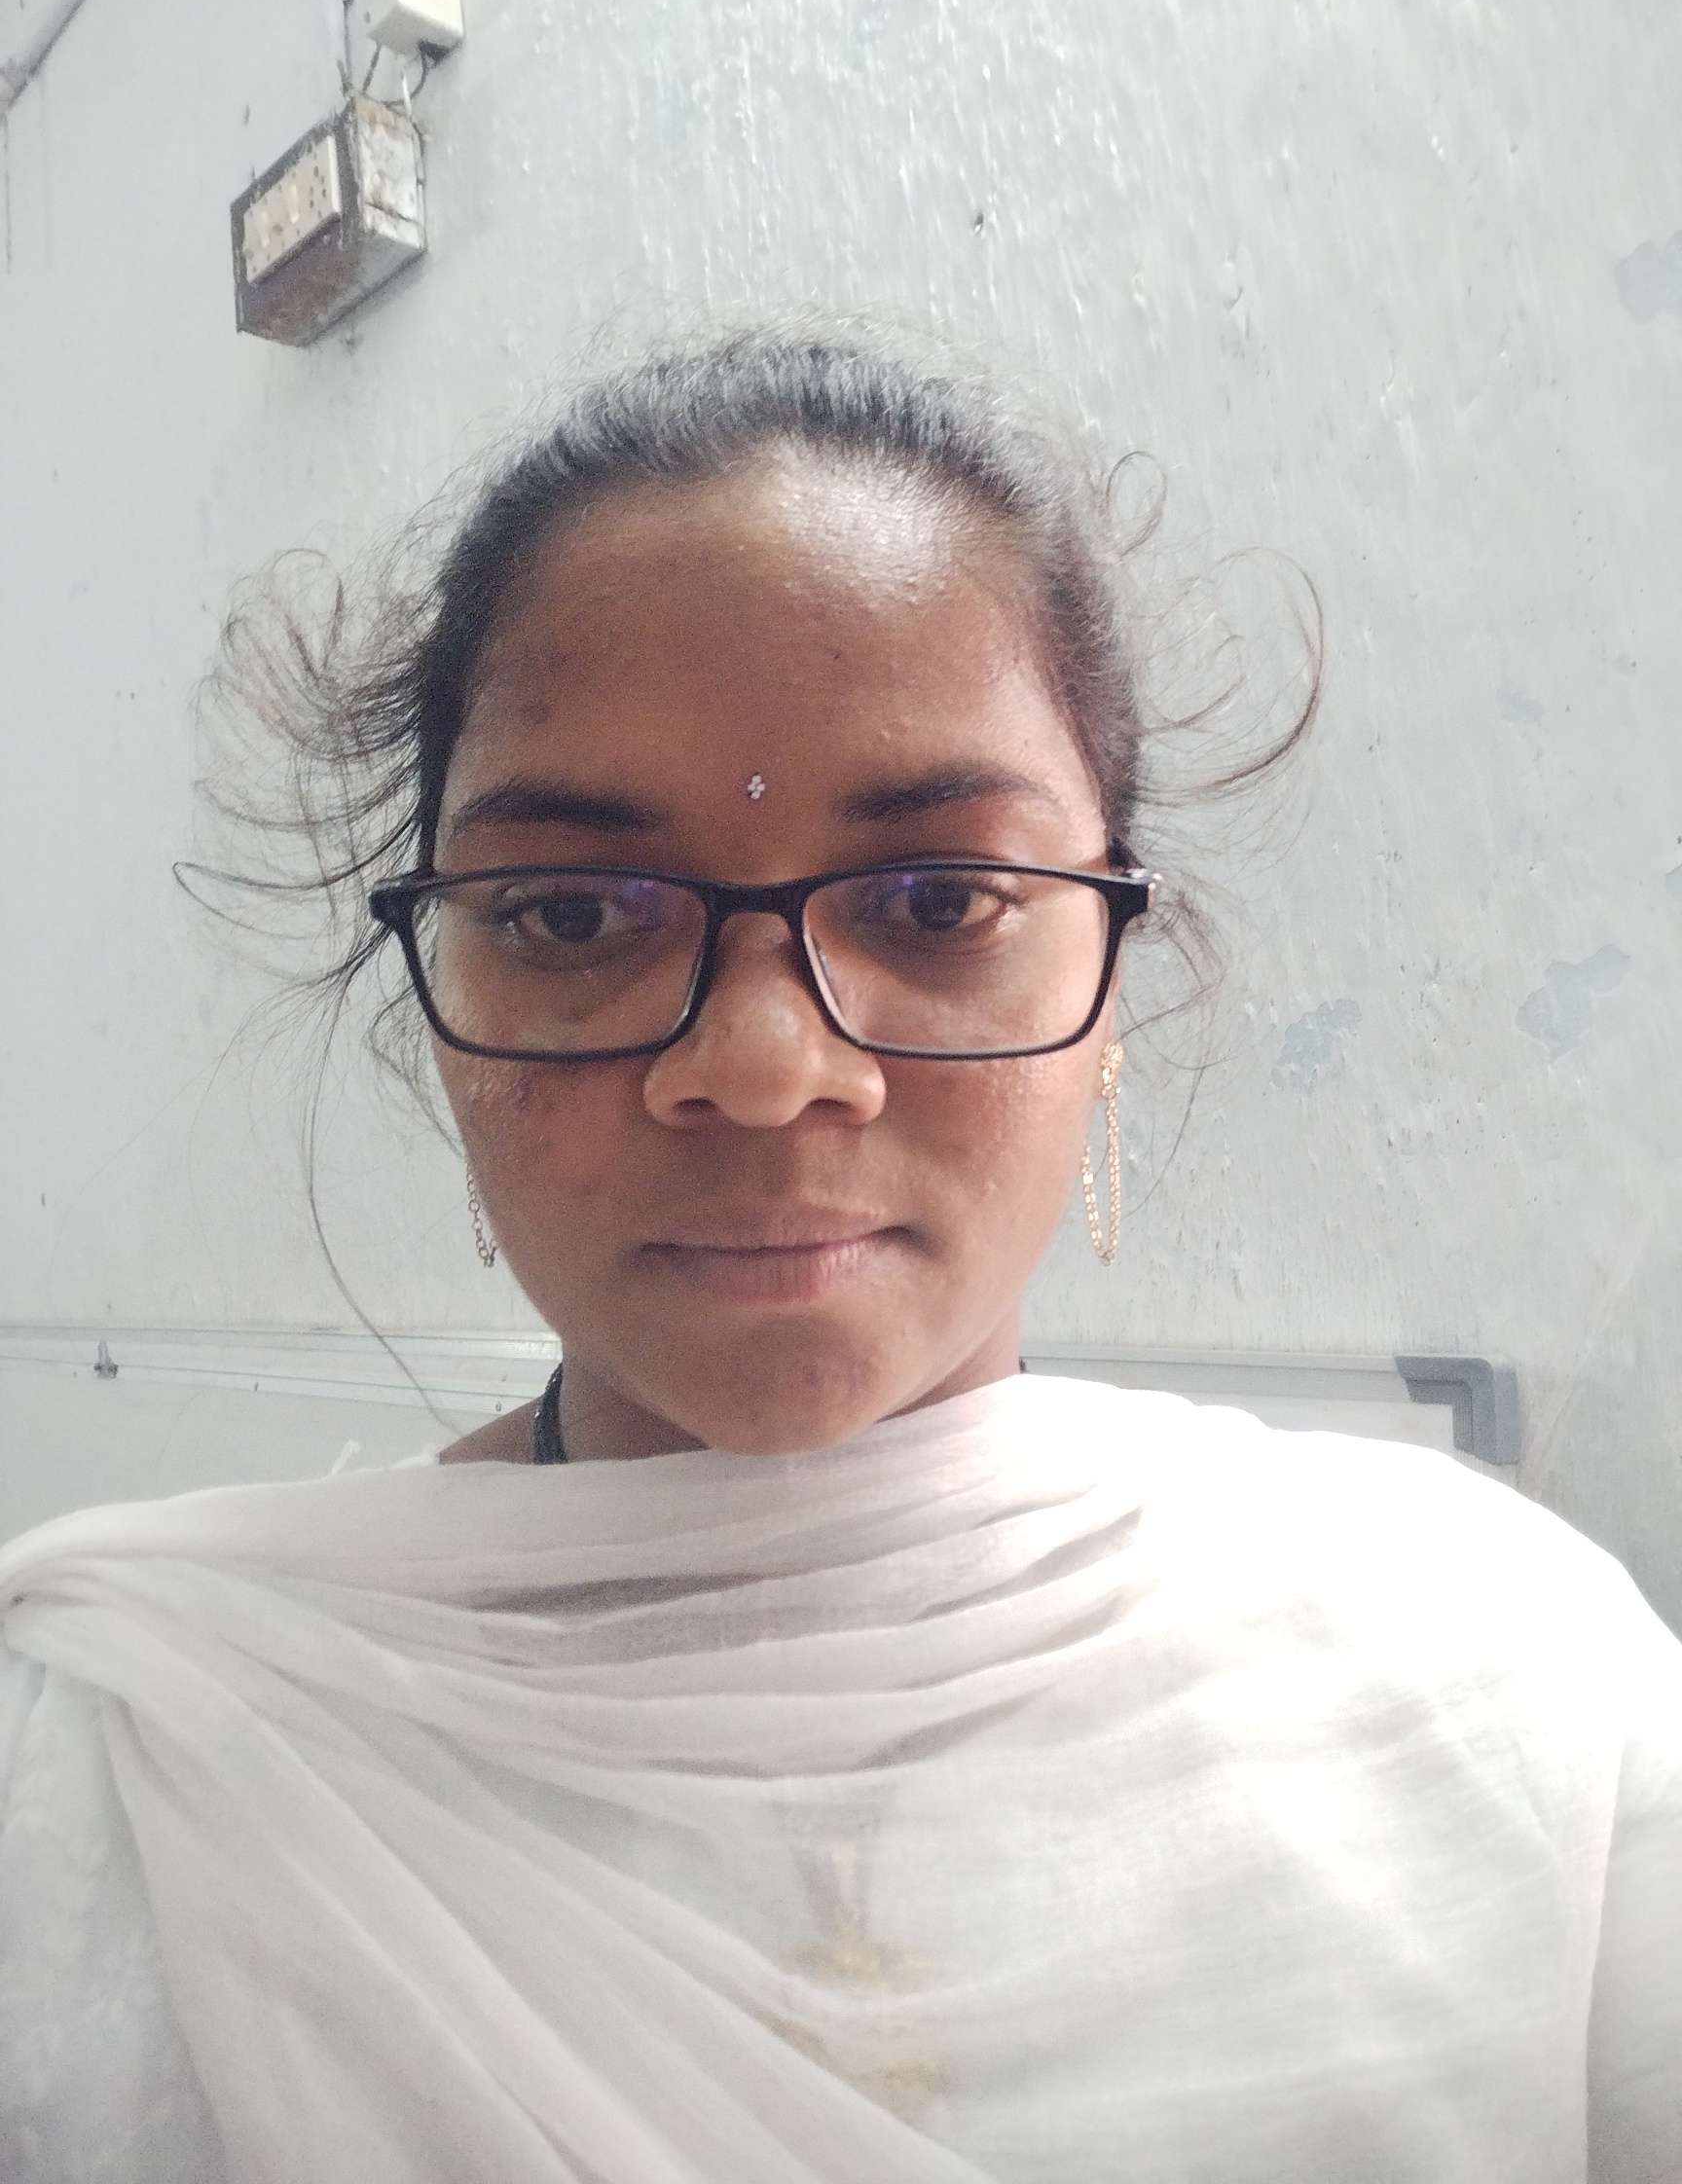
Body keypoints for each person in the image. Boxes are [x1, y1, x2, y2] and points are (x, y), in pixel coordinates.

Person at [1, 323, 1678, 2184]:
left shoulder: (1508, 1698)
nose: (761, 1062)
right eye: (571, 915)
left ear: (1114, 973)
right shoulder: (123, 1783)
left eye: (942, 900)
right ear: (441, 996)